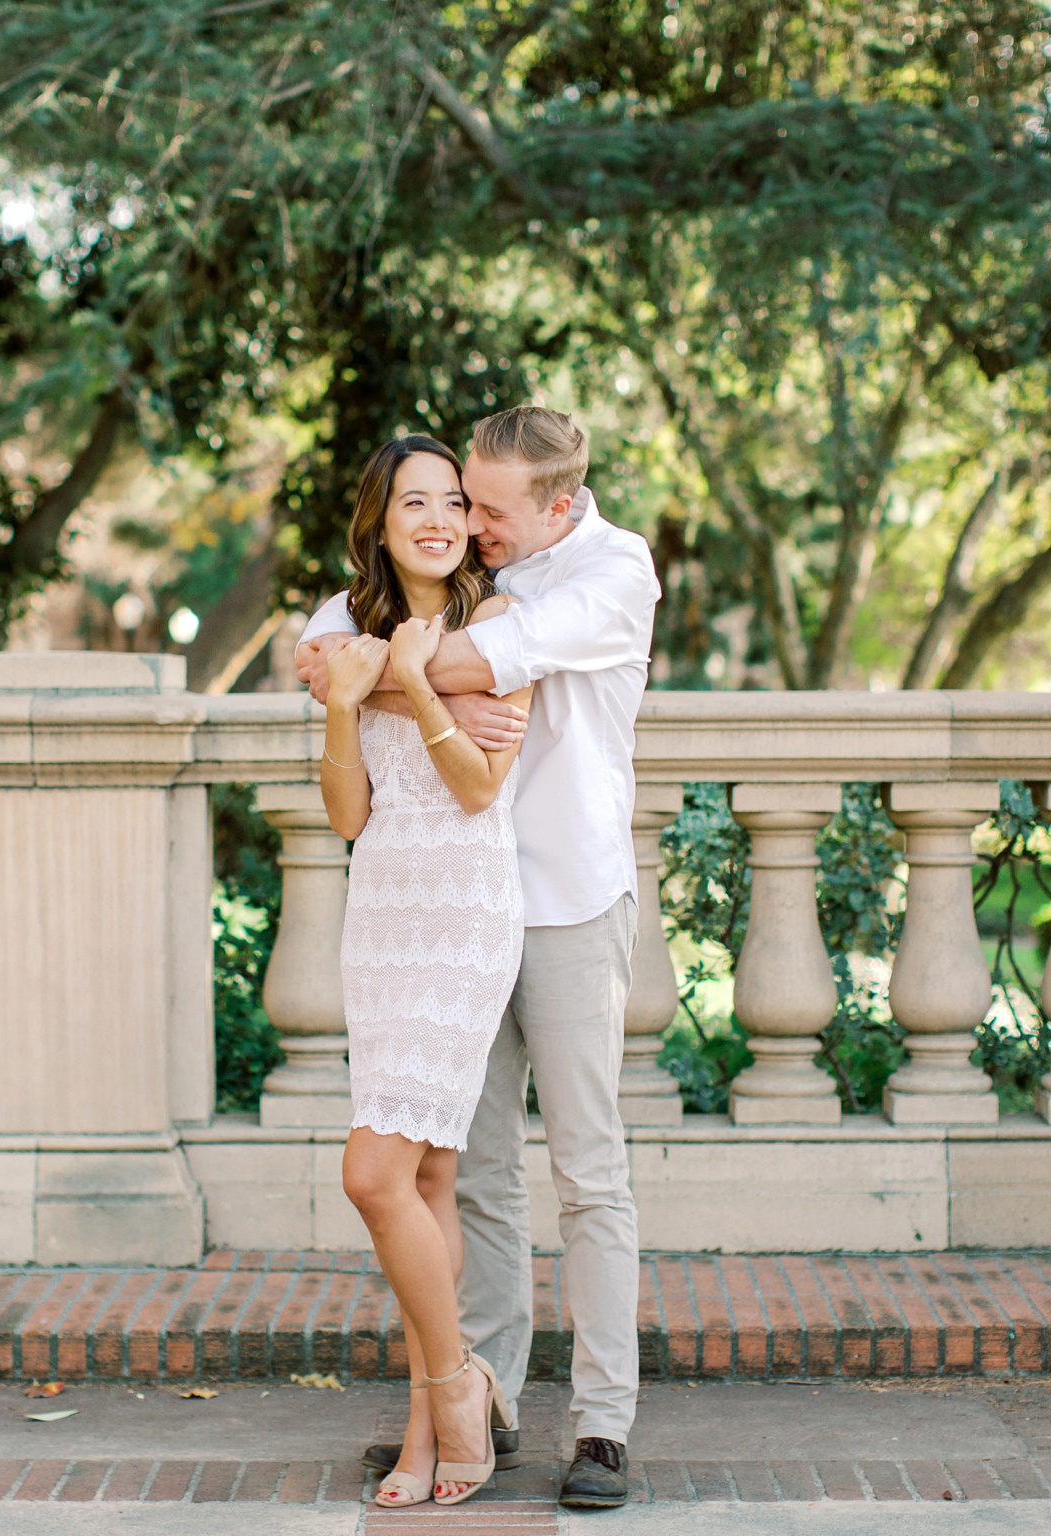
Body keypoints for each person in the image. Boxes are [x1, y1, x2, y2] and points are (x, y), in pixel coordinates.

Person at [299, 406, 661, 1511]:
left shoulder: (612, 570)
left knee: (585, 1174)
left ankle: (600, 1423)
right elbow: (318, 653)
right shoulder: (470, 571)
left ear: (557, 504)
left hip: (560, 898)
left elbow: (476, 652)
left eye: (487, 508)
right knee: (474, 1173)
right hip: (440, 906)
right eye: (458, 500)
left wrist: (397, 669)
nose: (472, 522)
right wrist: (371, 666)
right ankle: (486, 1398)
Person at [320, 434, 532, 1508]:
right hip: (382, 910)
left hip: (463, 910)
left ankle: (455, 1387)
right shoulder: (340, 628)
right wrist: (346, 704)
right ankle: (425, 1435)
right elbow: (348, 813)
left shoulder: (498, 624)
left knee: (371, 1174)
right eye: (415, 502)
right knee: (424, 1180)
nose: (439, 519)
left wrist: (408, 681)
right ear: (381, 520)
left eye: (453, 500)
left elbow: (478, 786)